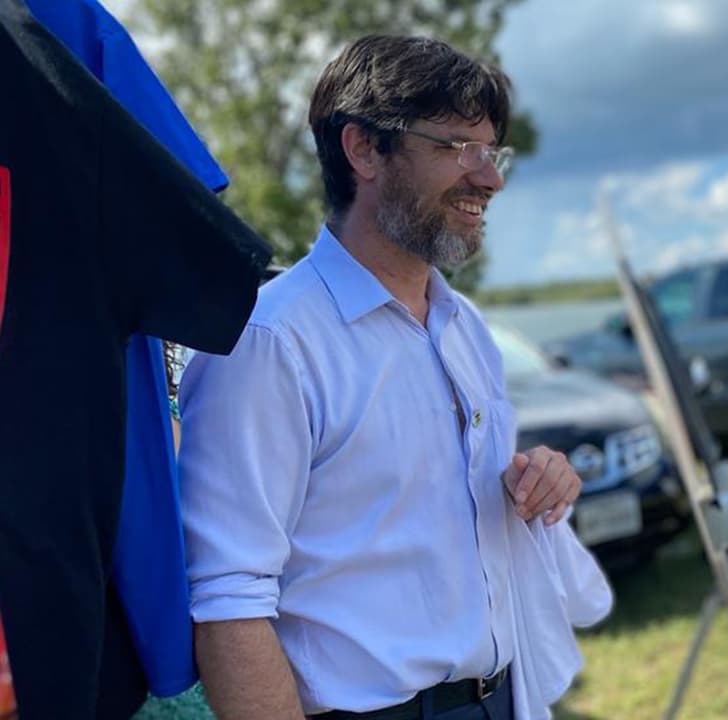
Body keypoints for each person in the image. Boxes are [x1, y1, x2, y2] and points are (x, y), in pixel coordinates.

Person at [178, 35, 611, 720]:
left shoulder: (464, 326)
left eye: (492, 152)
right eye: (457, 147)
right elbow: (227, 601)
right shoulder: (268, 343)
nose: (490, 178)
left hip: (501, 698)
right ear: (364, 150)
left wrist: (536, 480)